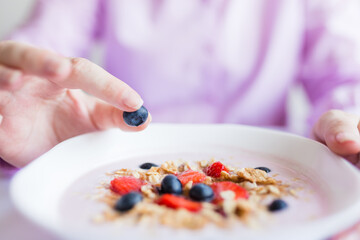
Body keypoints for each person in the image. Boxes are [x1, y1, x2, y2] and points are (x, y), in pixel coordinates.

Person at [0, 0, 360, 168]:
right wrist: (16, 94)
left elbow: (346, 76)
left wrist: (349, 126)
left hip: (275, 176)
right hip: (127, 170)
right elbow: (44, 47)